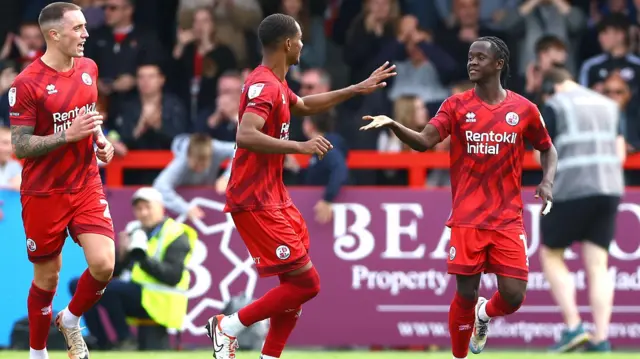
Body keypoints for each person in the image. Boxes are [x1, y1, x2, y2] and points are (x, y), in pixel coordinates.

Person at [205, 13, 396, 359]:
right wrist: (300, 146)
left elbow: (305, 105)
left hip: (274, 197)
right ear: (288, 44)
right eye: (301, 39)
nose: (303, 45)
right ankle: (228, 326)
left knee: (295, 287)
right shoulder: (263, 85)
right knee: (308, 284)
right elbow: (246, 135)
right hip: (254, 199)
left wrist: (356, 88)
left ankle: (269, 355)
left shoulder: (277, 84)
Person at [360, 36, 558, 359]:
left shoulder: (524, 109)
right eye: (470, 57)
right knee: (465, 295)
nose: (472, 62)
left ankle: (485, 316)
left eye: (481, 57)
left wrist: (547, 182)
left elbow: (548, 149)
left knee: (513, 295)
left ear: (499, 64)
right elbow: (424, 141)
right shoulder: (455, 105)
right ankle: (458, 356)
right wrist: (395, 124)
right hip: (467, 218)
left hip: (507, 218)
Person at [8, 3, 116, 359]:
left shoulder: (89, 69)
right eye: (78, 28)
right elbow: (21, 145)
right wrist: (66, 137)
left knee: (104, 263)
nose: (86, 34)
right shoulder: (26, 83)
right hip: (43, 191)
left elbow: (89, 117)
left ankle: (70, 319)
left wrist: (101, 141)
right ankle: (38, 354)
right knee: (48, 278)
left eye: (85, 27)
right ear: (54, 35)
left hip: (85, 182)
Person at [537, 67, 625, 353]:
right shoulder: (609, 106)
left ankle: (573, 327)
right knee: (598, 265)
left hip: (572, 189)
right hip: (609, 189)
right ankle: (601, 339)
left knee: (551, 254)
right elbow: (620, 153)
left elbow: (541, 151)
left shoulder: (554, 106)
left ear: (552, 88)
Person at [69, 187, 197, 350]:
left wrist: (142, 258)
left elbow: (173, 277)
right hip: (138, 294)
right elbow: (113, 273)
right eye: (138, 208)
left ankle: (126, 339)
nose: (143, 213)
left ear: (161, 207)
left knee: (110, 290)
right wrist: (121, 257)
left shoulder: (176, 233)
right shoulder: (134, 230)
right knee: (80, 284)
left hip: (163, 301)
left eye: (147, 207)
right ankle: (100, 341)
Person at [153, 133, 236, 219]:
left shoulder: (214, 148)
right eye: (195, 165)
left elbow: (240, 149)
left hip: (209, 199)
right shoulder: (182, 161)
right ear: (188, 157)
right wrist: (185, 208)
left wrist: (228, 176)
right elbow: (160, 186)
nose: (199, 169)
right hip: (185, 201)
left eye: (203, 165)